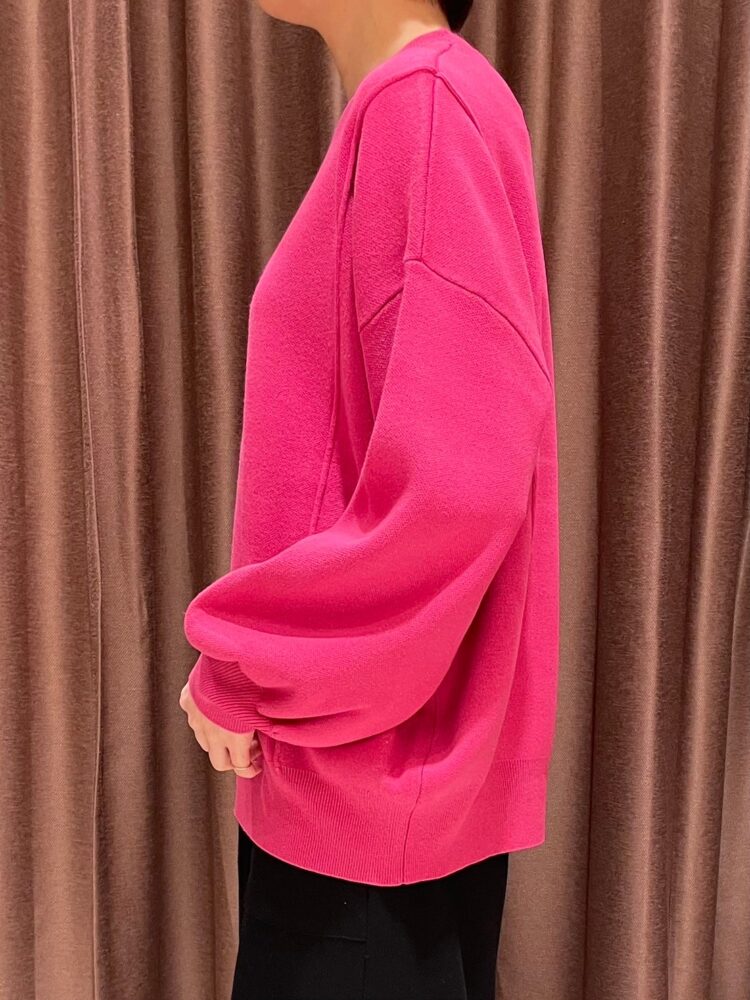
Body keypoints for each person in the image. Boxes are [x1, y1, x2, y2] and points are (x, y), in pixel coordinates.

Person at [178, 1, 560, 997]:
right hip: (365, 778)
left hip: (364, 787)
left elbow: (455, 495)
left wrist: (246, 664)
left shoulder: (422, 107)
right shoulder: (420, 103)